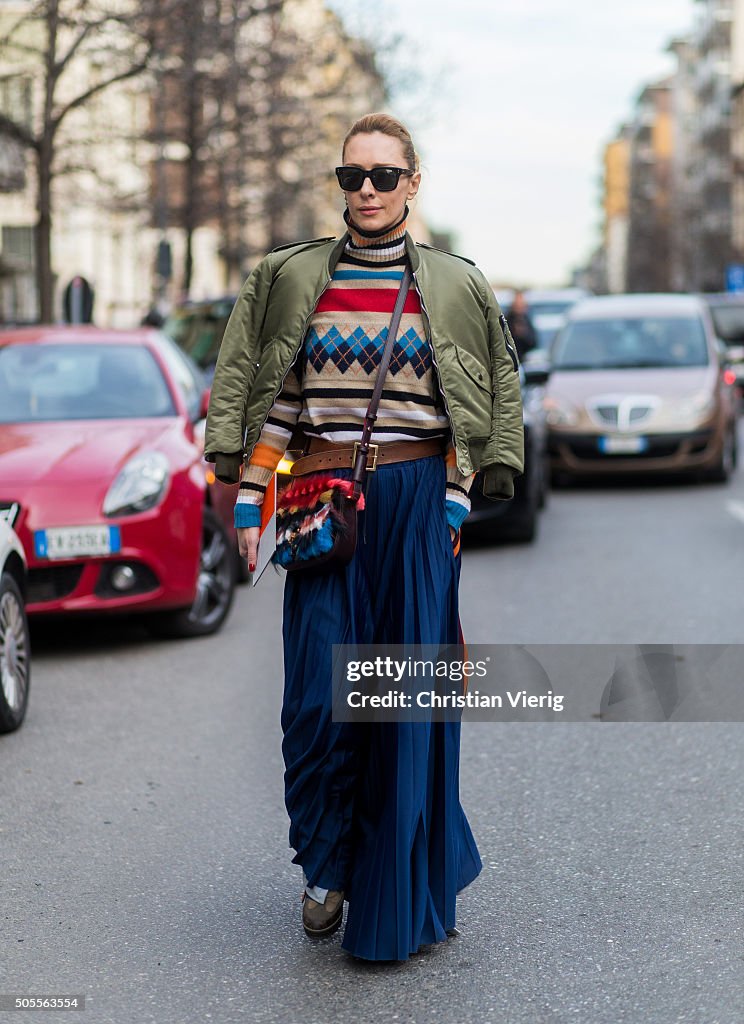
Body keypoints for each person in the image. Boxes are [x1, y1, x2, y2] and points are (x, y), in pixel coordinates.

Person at [204, 113, 524, 962]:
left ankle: (387, 884)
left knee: (398, 707)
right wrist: (247, 498)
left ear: (414, 183)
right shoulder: (291, 275)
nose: (369, 192)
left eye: (385, 176)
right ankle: (326, 862)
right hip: (320, 497)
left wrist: (457, 501)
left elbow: (481, 395)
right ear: (339, 185)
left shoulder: (455, 284)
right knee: (316, 699)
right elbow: (274, 393)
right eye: (354, 177)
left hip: (419, 506)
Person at [505, 289, 538, 361]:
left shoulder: (526, 320)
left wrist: (523, 335)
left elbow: (533, 342)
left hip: (523, 360)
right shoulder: (506, 321)